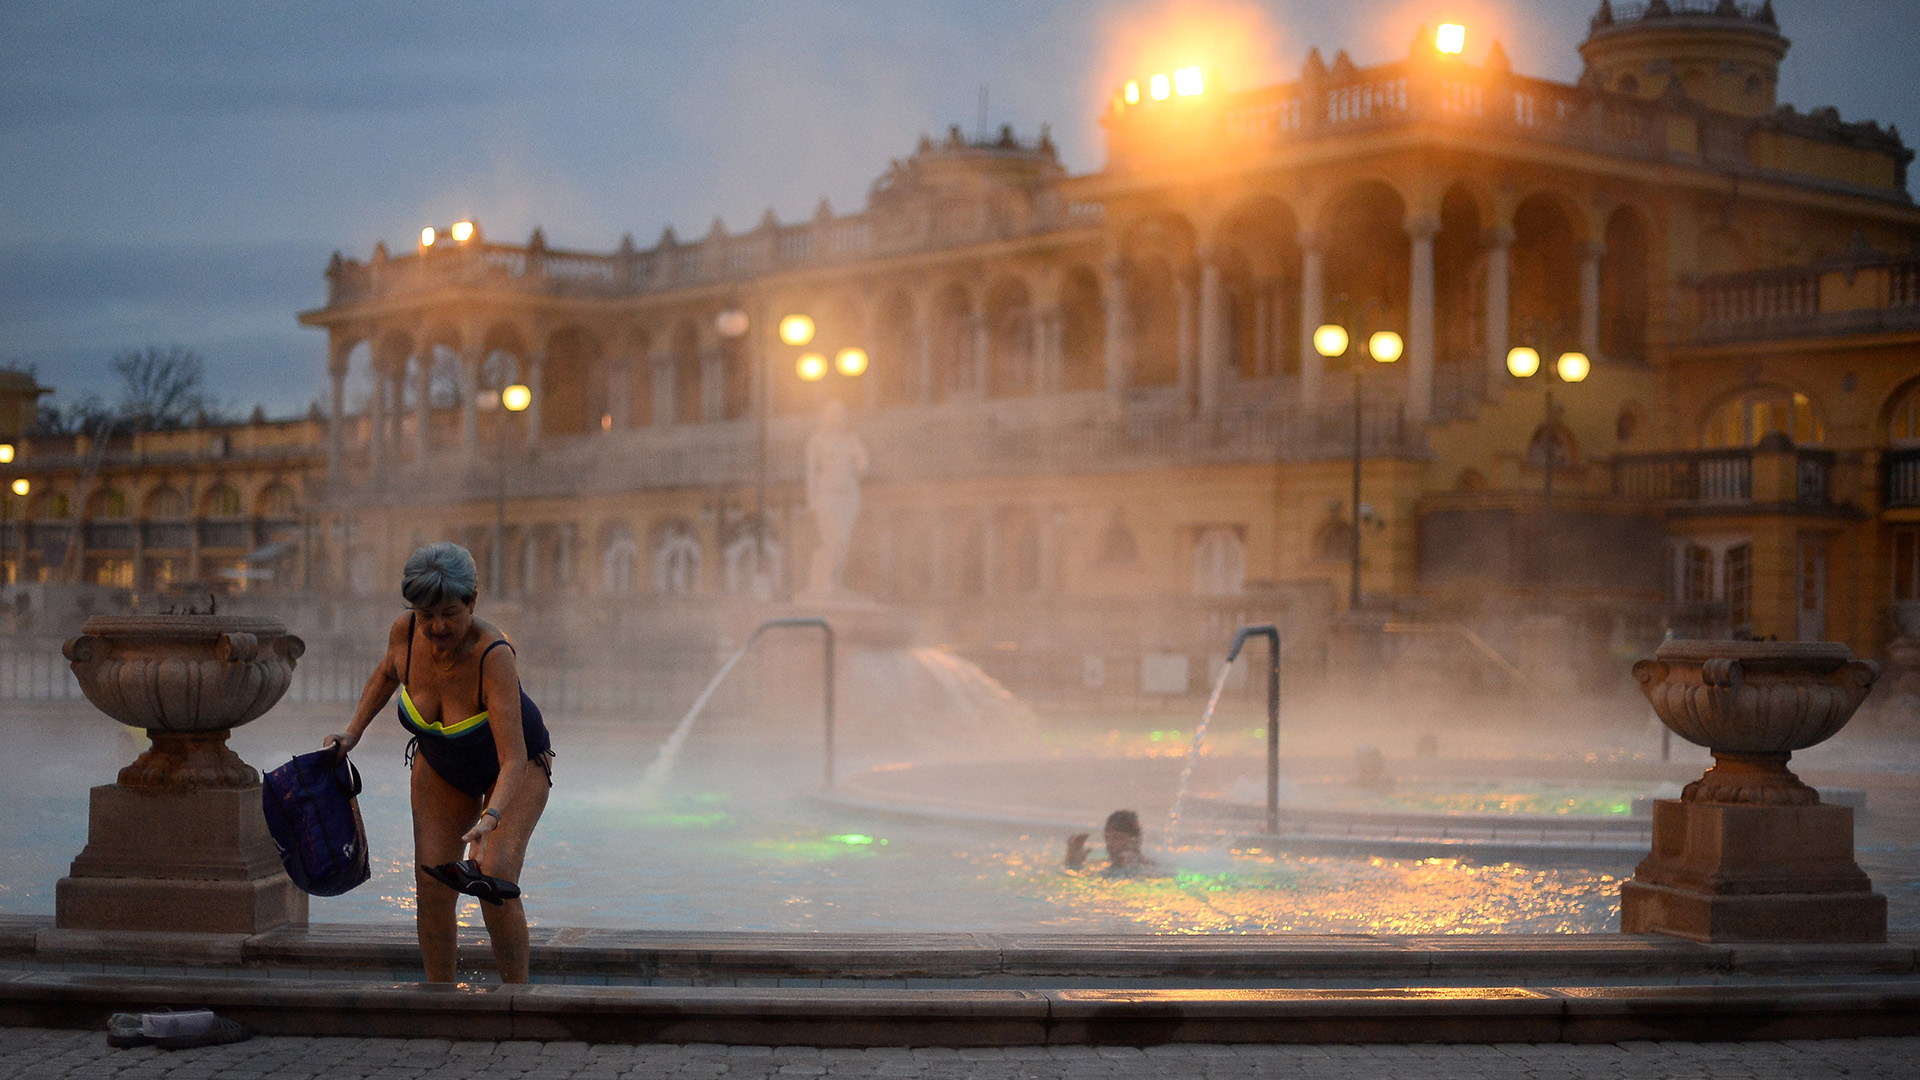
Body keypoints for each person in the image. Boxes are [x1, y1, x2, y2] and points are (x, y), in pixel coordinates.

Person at [324, 542, 554, 984]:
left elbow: (511, 760)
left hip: (516, 768)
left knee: (493, 879)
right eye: (426, 614)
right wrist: (352, 733)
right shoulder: (405, 632)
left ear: (472, 601)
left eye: (450, 612)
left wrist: (491, 818)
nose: (437, 626)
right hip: (441, 762)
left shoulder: (494, 655)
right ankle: (439, 996)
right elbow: (387, 674)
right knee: (432, 882)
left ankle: (518, 1000)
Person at [1064, 810, 1158, 875]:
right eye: (1108, 838)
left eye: (1118, 838)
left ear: (1135, 840)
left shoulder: (1151, 868)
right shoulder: (1104, 865)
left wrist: (1132, 868)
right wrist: (1073, 859)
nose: (1111, 844)